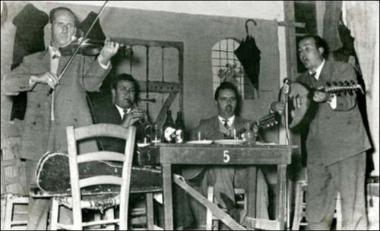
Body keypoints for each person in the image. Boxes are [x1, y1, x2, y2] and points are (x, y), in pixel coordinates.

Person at [2, 7, 119, 229]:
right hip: (39, 138)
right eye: (60, 24)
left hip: (70, 139)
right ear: (50, 27)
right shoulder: (33, 59)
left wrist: (104, 57)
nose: (65, 30)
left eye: (70, 26)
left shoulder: (80, 59)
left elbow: (92, 83)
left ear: (75, 30)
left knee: (70, 204)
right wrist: (36, 78)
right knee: (38, 203)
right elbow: (7, 84)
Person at [272, 35, 371, 230]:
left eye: (307, 48)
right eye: (299, 50)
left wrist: (329, 97)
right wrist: (279, 108)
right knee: (315, 210)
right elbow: (295, 119)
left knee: (352, 209)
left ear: (321, 50)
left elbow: (350, 98)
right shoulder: (300, 81)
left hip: (347, 147)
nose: (302, 54)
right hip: (317, 151)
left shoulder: (342, 69)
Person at [186, 81, 269, 227]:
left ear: (237, 102)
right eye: (224, 99)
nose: (228, 103)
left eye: (232, 99)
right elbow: (191, 150)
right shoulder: (205, 125)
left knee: (258, 176)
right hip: (215, 174)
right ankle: (230, 217)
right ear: (216, 102)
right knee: (223, 167)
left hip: (241, 173)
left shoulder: (247, 124)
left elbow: (261, 153)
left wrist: (254, 138)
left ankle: (259, 225)